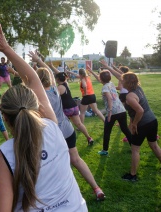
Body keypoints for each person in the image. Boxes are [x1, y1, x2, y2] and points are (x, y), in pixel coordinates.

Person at [0, 23, 87, 211]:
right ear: (37, 107)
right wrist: (6, 48)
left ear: (5, 119)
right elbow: (33, 79)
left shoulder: (6, 154)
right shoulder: (52, 127)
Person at [30, 52, 105, 201]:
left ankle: (51, 196)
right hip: (68, 129)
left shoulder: (38, 96)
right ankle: (96, 188)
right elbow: (50, 73)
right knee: (75, 159)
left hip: (53, 134)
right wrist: (39, 60)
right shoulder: (55, 88)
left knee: (50, 165)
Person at [112, 71, 161, 181]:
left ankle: (132, 175)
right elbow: (123, 76)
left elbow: (140, 111)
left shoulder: (130, 96)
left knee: (135, 150)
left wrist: (134, 124)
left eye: (123, 80)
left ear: (128, 83)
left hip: (143, 124)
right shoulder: (138, 88)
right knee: (154, 145)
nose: (121, 81)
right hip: (152, 121)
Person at [86, 69, 132, 155]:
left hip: (113, 112)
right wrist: (92, 72)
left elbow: (110, 98)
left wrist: (110, 111)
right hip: (121, 110)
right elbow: (101, 80)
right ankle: (134, 147)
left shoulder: (105, 88)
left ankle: (105, 150)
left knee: (107, 131)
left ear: (101, 79)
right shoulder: (110, 84)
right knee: (125, 129)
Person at [49, 64, 95, 145]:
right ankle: (89, 138)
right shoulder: (66, 83)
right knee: (79, 124)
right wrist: (52, 66)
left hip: (66, 109)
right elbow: (60, 74)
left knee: (61, 125)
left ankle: (61, 143)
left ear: (57, 79)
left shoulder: (59, 88)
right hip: (74, 107)